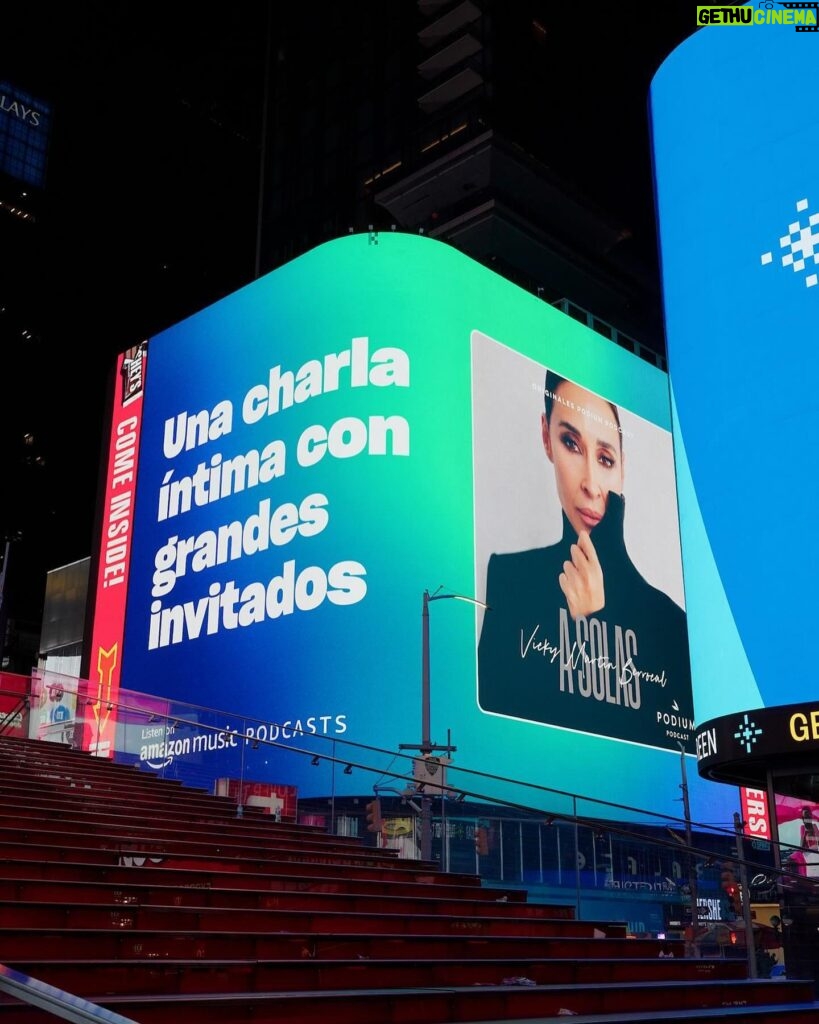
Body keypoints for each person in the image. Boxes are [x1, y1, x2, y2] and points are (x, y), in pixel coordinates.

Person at [477, 370, 694, 751]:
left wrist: (593, 623)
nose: (591, 484)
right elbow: (493, 731)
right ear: (546, 437)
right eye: (571, 443)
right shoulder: (509, 578)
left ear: (623, 466)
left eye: (606, 458)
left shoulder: (671, 624)